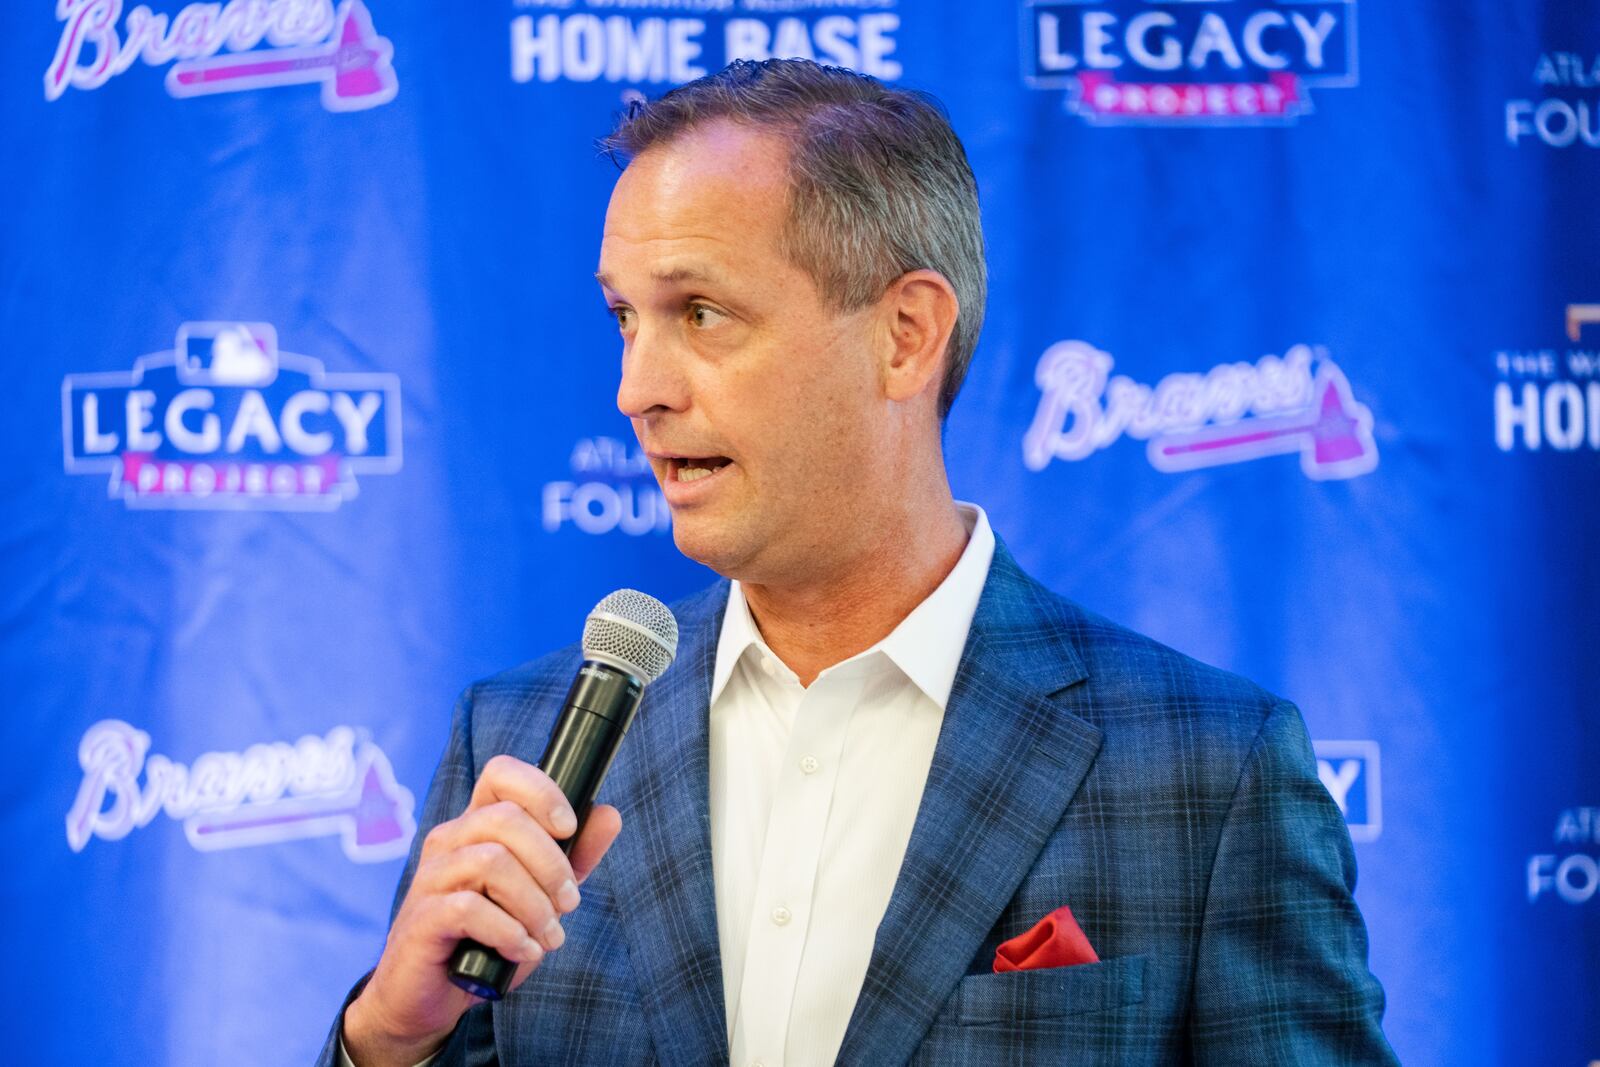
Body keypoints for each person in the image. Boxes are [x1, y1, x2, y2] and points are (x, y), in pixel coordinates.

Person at [321, 59, 1397, 1067]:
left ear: (905, 333)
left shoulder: (1208, 767)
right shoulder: (515, 744)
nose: (636, 389)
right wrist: (388, 1037)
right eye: (624, 318)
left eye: (700, 313)